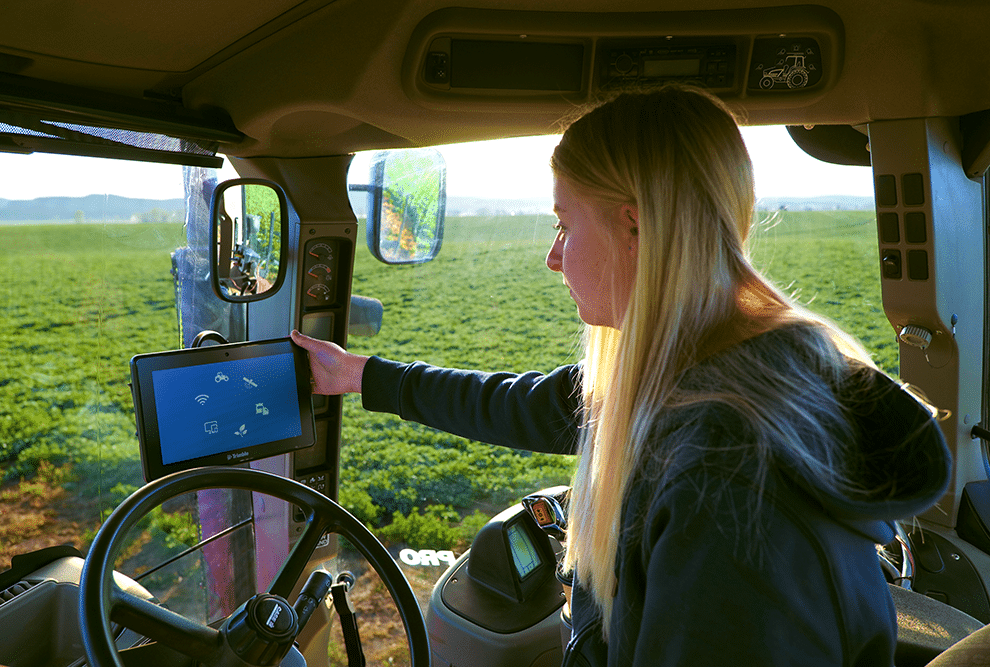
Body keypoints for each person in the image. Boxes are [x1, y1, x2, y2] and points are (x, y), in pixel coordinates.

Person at [292, 84, 951, 665]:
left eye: (564, 223)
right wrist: (360, 375)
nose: (553, 258)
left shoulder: (723, 480)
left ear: (633, 227)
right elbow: (527, 404)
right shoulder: (736, 368)